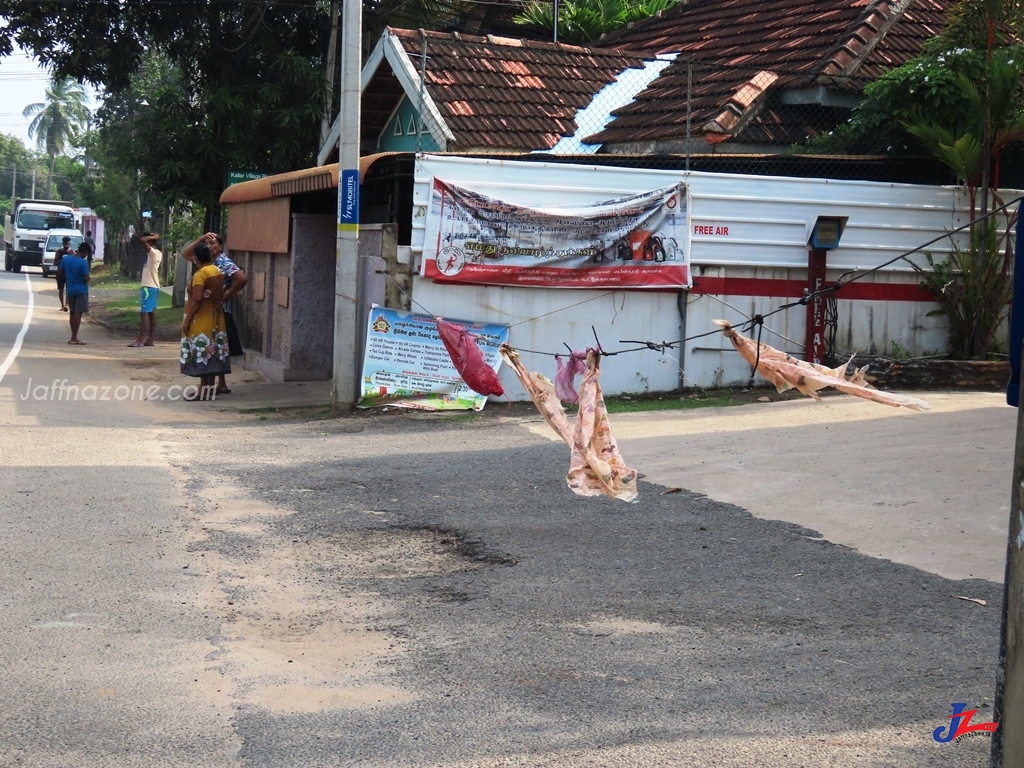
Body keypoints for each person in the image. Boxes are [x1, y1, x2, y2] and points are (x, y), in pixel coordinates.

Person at [183, 232, 247, 395]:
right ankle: (216, 385)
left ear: (221, 246)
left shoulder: (220, 264)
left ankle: (209, 386)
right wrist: (200, 239)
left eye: (213, 243)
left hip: (213, 310)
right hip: (214, 309)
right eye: (207, 244)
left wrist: (226, 294)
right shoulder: (210, 265)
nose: (209, 246)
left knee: (209, 347)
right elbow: (186, 254)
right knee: (216, 347)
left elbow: (242, 278)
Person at [179, 241, 230, 401]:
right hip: (217, 317)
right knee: (212, 353)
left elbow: (197, 298)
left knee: (203, 352)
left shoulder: (200, 274)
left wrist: (187, 321)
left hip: (202, 318)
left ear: (195, 258)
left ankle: (202, 391)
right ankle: (207, 388)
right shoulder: (217, 271)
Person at [129, 232, 163, 347]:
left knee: (144, 313)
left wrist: (154, 237)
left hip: (148, 286)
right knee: (152, 313)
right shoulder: (156, 253)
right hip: (154, 285)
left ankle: (140, 340)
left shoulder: (153, 253)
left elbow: (142, 240)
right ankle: (151, 339)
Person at [58, 242, 92, 345]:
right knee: (78, 313)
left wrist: (69, 277)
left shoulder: (66, 259)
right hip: (81, 290)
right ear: (85, 252)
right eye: (87, 254)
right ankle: (74, 337)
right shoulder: (83, 263)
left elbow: (60, 272)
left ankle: (73, 336)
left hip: (70, 289)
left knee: (72, 313)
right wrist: (87, 278)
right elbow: (86, 278)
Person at [54, 235, 75, 311]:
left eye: (68, 244)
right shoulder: (59, 252)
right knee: (61, 289)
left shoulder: (72, 253)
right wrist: (62, 261)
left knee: (68, 290)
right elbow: (55, 262)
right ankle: (62, 305)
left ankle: (66, 305)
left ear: (69, 244)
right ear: (62, 244)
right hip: (60, 274)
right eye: (65, 244)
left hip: (69, 274)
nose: (66, 245)